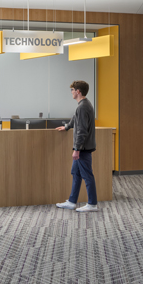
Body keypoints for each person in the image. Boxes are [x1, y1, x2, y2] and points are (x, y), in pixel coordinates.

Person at [55, 80, 98, 212]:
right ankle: (72, 201)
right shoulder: (83, 105)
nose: (72, 92)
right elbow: (75, 119)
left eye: (72, 90)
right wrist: (67, 127)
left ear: (78, 91)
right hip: (82, 148)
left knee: (87, 175)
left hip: (83, 149)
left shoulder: (83, 106)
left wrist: (76, 149)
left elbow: (82, 131)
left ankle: (92, 204)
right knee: (76, 174)